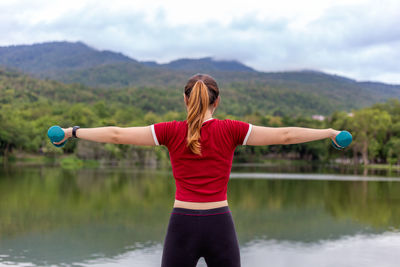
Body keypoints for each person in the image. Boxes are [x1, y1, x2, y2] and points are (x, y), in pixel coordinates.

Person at [53, 73, 342, 267]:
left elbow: (116, 134)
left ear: (185, 99)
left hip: (182, 224)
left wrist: (72, 131)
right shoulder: (232, 130)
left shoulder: (169, 131)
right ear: (217, 101)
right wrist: (328, 131)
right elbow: (286, 136)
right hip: (220, 223)